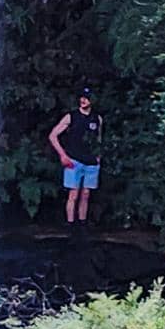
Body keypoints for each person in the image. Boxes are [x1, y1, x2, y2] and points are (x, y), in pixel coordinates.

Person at [48, 87, 103, 226]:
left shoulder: (97, 119)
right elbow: (53, 135)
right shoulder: (71, 116)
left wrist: (98, 156)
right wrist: (63, 155)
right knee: (73, 194)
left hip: (90, 161)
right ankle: (70, 224)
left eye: (87, 98)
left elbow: (99, 139)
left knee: (86, 194)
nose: (83, 100)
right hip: (74, 159)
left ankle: (82, 224)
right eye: (82, 97)